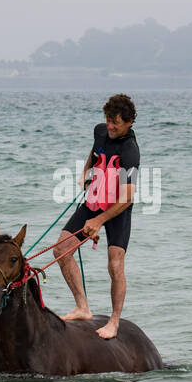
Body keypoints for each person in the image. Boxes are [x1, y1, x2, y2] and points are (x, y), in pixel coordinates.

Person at [56, 94, 140, 340]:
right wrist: (85, 174)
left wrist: (99, 221)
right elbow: (93, 155)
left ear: (129, 122)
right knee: (62, 250)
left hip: (117, 210)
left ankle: (114, 322)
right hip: (93, 201)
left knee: (115, 264)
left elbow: (127, 198)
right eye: (108, 120)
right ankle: (82, 307)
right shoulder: (100, 131)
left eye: (116, 122)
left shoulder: (130, 152)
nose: (110, 126)